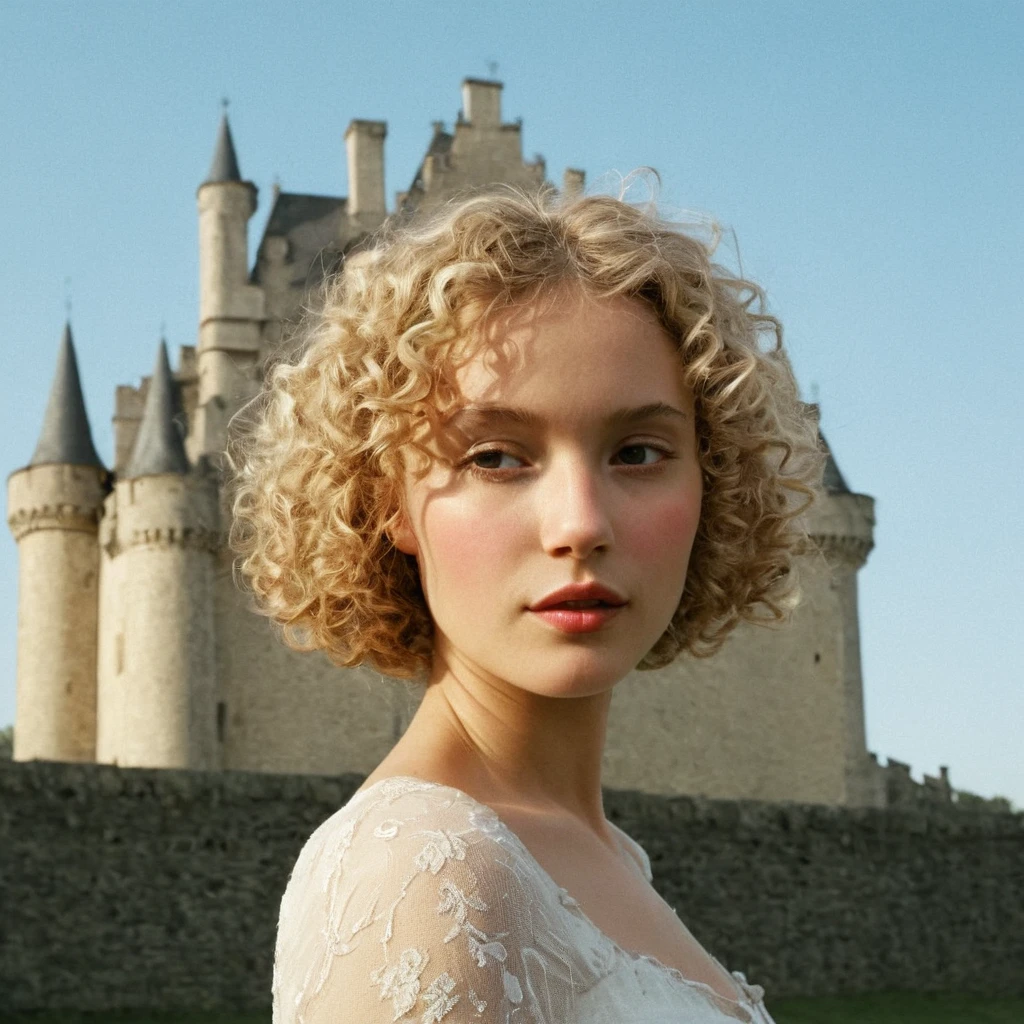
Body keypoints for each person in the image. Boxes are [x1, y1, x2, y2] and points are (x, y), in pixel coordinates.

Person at [230, 183, 823, 1023]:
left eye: (640, 451)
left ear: (712, 480)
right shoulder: (422, 872)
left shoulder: (608, 859)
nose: (580, 524)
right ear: (387, 500)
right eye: (498, 458)